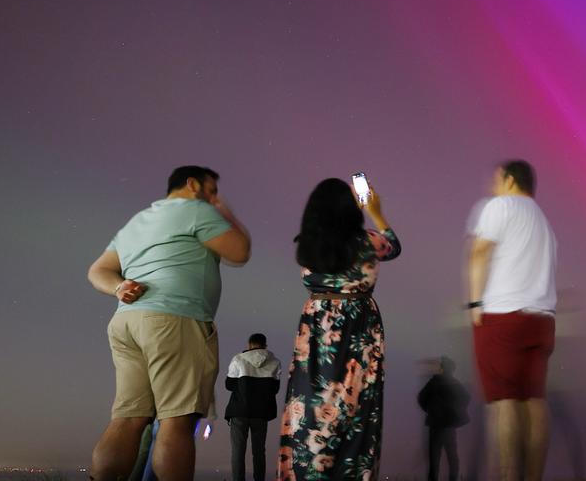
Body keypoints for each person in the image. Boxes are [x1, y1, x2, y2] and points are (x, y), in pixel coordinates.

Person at [87, 165, 251, 481]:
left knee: (127, 419)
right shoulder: (196, 210)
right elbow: (240, 251)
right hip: (175, 320)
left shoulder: (137, 221)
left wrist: (119, 287)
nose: (214, 198)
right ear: (193, 185)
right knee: (177, 421)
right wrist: (224, 212)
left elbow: (97, 271)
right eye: (211, 190)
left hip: (127, 322)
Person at [277, 178, 400, 480]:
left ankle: (307, 471)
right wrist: (377, 212)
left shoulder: (308, 246)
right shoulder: (368, 242)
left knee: (310, 403)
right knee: (357, 406)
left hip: (317, 326)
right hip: (359, 326)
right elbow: (393, 247)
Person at [466, 160, 557, 481]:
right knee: (534, 400)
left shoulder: (500, 206)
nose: (493, 185)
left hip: (503, 315)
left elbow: (479, 252)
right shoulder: (543, 221)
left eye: (496, 178)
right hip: (542, 319)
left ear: (509, 179)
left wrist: (475, 302)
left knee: (503, 400)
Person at [226, 333, 282, 481]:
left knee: (238, 451)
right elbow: (275, 389)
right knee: (259, 452)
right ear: (265, 345)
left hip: (239, 411)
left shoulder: (238, 359)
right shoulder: (275, 362)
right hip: (261, 412)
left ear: (249, 344)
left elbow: (229, 385)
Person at [417, 356, 472, 481]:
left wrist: (430, 410)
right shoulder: (454, 383)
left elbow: (421, 398)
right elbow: (466, 398)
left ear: (442, 368)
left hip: (435, 425)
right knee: (452, 457)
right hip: (449, 425)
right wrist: (456, 410)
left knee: (434, 459)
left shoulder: (433, 383)